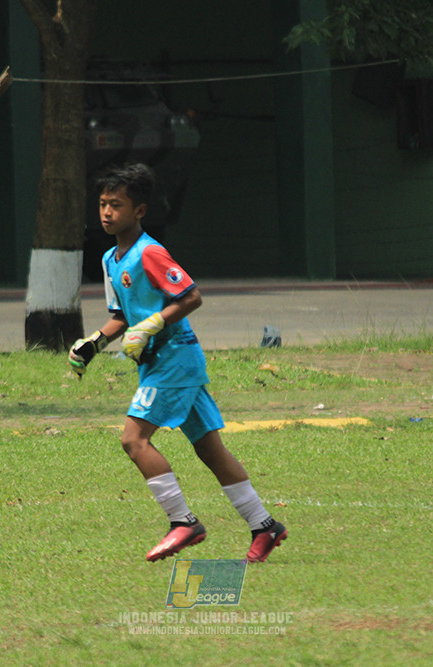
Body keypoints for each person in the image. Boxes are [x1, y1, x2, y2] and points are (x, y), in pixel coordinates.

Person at [68, 163, 287, 564]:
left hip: (174, 359)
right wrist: (94, 343)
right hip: (160, 362)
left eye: (116, 205)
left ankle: (183, 522)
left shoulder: (149, 252)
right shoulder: (110, 260)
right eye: (102, 204)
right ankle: (265, 526)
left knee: (133, 440)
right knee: (209, 448)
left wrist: (152, 324)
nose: (106, 213)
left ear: (139, 211)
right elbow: (121, 315)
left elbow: (190, 297)